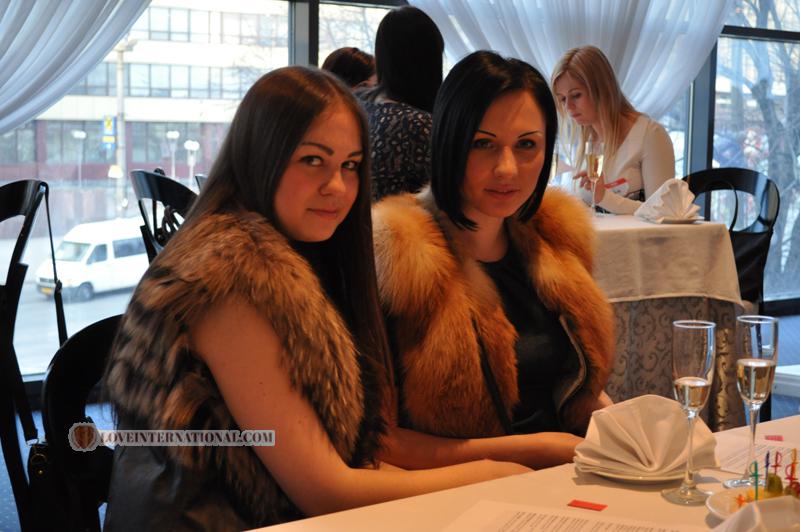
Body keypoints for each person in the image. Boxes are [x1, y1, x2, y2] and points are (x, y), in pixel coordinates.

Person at [102, 66, 528, 531]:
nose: (338, 187)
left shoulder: (301, 255)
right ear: (262, 153)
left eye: (350, 165)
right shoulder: (228, 277)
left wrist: (527, 454)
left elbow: (362, 452)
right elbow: (327, 491)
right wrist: (494, 478)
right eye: (312, 160)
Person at [372, 51, 615, 471]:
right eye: (482, 144)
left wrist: (634, 431)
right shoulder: (397, 256)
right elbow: (379, 441)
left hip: (568, 478)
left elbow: (575, 390)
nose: (507, 169)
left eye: (526, 145)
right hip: (457, 489)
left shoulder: (556, 241)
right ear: (448, 143)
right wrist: (533, 450)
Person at [551, 45, 675, 215]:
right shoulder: (586, 142)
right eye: (563, 99)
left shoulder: (650, 135)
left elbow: (663, 212)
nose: (568, 107)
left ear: (602, 89)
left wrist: (604, 198)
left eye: (576, 95)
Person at [359, 6, 444, 201]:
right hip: (401, 220)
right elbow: (445, 197)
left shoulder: (360, 103)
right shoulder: (419, 124)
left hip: (357, 218)